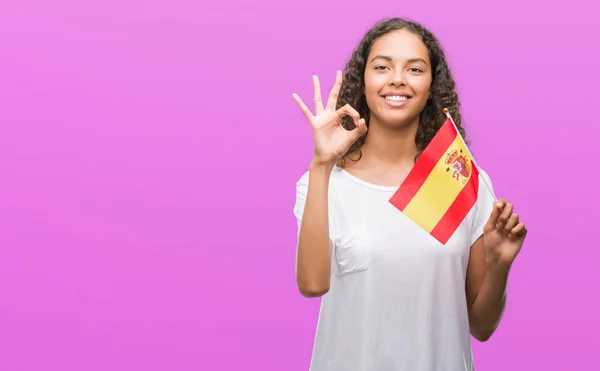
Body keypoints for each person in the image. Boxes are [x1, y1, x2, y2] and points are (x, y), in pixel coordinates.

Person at [291, 17, 528, 371]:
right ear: (364, 80)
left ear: (432, 86)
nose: (397, 78)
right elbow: (312, 284)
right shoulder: (324, 181)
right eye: (382, 67)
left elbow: (480, 326)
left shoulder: (457, 178)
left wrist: (500, 264)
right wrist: (322, 163)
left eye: (414, 69)